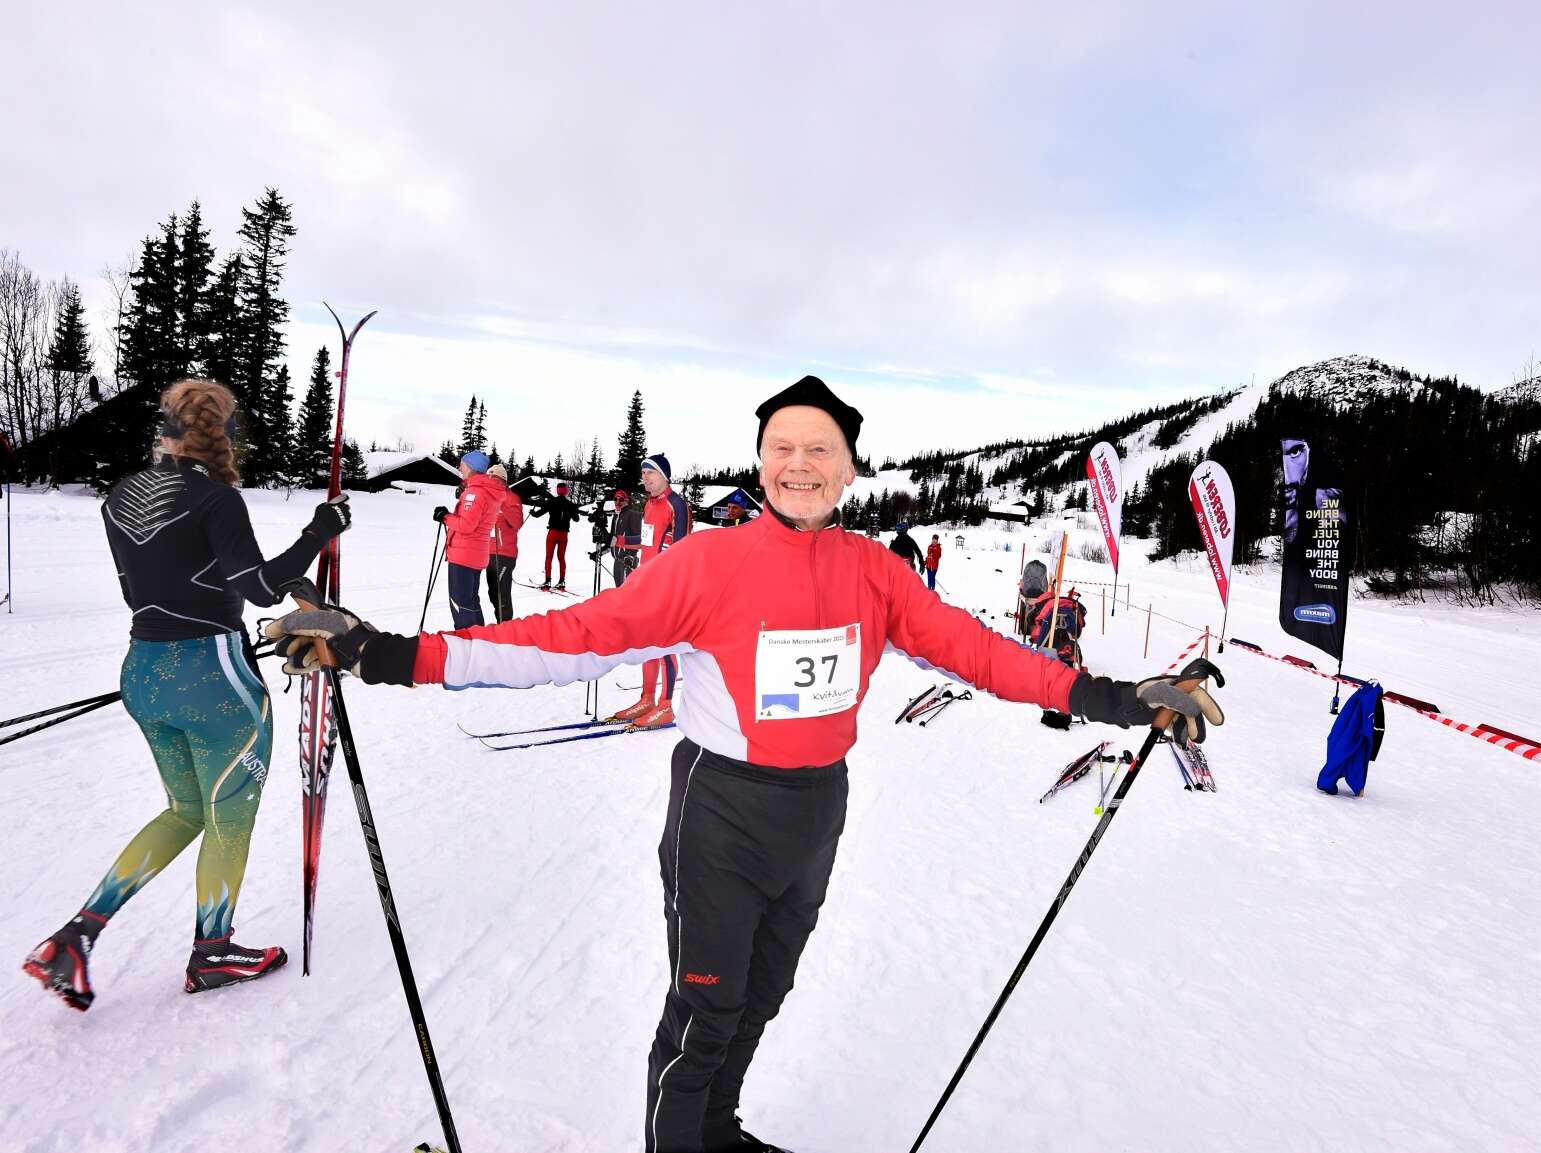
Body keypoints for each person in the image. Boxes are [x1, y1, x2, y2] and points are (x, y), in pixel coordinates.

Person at [263, 373, 1224, 1153]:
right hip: (720, 815)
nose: (800, 464)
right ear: (762, 461)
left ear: (849, 468)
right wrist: (392, 653)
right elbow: (571, 638)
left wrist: (1112, 697)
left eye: (820, 449)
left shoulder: (876, 572)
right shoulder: (708, 563)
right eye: (782, 447)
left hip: (815, 815)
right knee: (705, 1013)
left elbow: (980, 654)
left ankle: (715, 1133)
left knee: (764, 996)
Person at [21, 379, 352, 1011]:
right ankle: (213, 951)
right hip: (213, 678)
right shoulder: (216, 498)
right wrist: (320, 530)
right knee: (229, 816)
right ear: (222, 435)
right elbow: (257, 587)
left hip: (144, 672)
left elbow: (153, 583)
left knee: (183, 810)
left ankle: (76, 936)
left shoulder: (120, 496)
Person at [608, 454, 691, 729]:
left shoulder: (675, 504)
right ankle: (647, 698)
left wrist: (667, 583)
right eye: (643, 473)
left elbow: (680, 549)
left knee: (665, 645)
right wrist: (618, 541)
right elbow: (647, 542)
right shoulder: (649, 505)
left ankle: (666, 705)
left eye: (650, 473)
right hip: (646, 582)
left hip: (666, 586)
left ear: (664, 476)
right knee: (647, 644)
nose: (644, 478)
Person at [434, 450, 505, 629]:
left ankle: (466, 640)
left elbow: (466, 525)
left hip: (464, 556)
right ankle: (479, 638)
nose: (460, 468)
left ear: (471, 467)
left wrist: (444, 517)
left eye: (462, 465)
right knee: (471, 601)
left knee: (460, 603)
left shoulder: (476, 492)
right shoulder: (486, 490)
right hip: (475, 554)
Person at [485, 464, 525, 622]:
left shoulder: (511, 497)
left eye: (493, 479)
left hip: (504, 554)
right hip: (489, 552)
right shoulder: (488, 497)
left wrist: (499, 504)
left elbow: (517, 522)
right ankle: (501, 626)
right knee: (493, 594)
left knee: (502, 595)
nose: (490, 482)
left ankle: (506, 628)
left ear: (502, 480)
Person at [528, 480, 579, 589]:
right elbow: (577, 519)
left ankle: (548, 581)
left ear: (557, 491)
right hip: (564, 534)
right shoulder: (570, 504)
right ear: (566, 492)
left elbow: (537, 514)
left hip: (553, 533)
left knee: (549, 557)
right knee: (561, 557)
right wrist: (572, 511)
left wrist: (532, 512)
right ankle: (562, 581)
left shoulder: (551, 502)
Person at [607, 488, 643, 587]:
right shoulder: (616, 516)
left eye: (621, 499)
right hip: (617, 560)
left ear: (626, 501)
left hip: (627, 562)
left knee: (626, 591)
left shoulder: (632, 515)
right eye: (615, 499)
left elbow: (638, 537)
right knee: (619, 589)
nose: (617, 502)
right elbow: (614, 537)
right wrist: (602, 550)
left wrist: (631, 556)